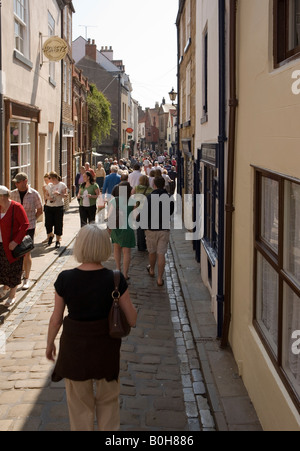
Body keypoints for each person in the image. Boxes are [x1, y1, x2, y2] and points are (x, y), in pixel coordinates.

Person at [46, 224, 137, 431]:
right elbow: (132, 319)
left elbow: (56, 320)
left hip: (75, 352)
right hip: (106, 352)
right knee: (108, 405)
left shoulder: (65, 279)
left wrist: (50, 343)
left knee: (79, 409)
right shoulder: (115, 279)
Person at [10, 173, 43, 290]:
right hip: (16, 228)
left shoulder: (34, 194)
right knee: (15, 253)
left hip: (29, 227)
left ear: (25, 181)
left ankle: (26, 278)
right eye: (15, 182)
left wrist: (32, 219)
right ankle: (17, 275)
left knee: (26, 252)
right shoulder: (12, 194)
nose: (16, 184)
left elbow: (40, 209)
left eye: (18, 182)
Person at [0, 186, 29, 307]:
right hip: (0, 244)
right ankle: (6, 286)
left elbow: (25, 225)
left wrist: (16, 241)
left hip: (13, 246)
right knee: (3, 268)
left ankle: (12, 295)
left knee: (14, 269)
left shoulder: (16, 207)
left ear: (2, 197)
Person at [143, 176, 174, 287]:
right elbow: (171, 212)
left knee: (152, 252)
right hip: (164, 228)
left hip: (151, 228)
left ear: (154, 185)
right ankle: (160, 279)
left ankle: (152, 270)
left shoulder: (149, 197)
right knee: (161, 254)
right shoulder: (169, 197)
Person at [108, 182, 136, 280]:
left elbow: (109, 215)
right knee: (127, 252)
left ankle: (118, 269)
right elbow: (134, 216)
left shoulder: (114, 200)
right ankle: (125, 274)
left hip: (116, 227)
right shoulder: (132, 201)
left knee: (116, 249)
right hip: (127, 228)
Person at [44, 171, 68, 249]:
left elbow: (66, 195)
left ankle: (58, 241)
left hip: (58, 206)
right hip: (49, 206)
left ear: (53, 178)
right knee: (48, 224)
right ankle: (51, 235)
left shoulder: (62, 185)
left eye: (49, 178)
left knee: (58, 224)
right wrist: (48, 198)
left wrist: (59, 194)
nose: (48, 180)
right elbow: (46, 195)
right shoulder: (49, 185)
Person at [131, 175, 153, 252]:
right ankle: (149, 244)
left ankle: (141, 246)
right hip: (148, 211)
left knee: (140, 229)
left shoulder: (136, 188)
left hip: (138, 210)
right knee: (148, 228)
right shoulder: (151, 189)